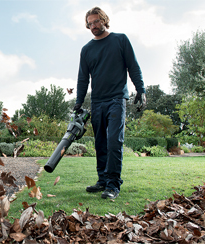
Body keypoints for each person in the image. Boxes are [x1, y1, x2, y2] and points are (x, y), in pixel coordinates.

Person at [74, 7, 146, 200]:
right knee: (100, 143)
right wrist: (78, 102)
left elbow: (133, 66)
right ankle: (103, 180)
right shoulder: (87, 49)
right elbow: (83, 79)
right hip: (97, 102)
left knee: (114, 141)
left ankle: (113, 185)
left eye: (96, 21)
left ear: (104, 20)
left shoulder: (120, 40)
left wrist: (141, 90)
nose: (93, 26)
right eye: (89, 23)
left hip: (116, 99)